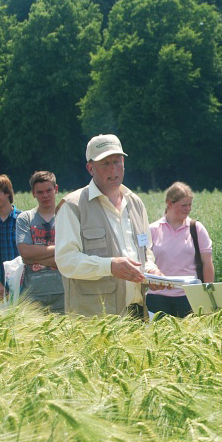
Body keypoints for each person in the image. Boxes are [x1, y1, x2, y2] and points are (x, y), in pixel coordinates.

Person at [55, 134, 163, 317]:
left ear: (124, 163)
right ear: (90, 168)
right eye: (105, 163)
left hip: (137, 313)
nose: (113, 168)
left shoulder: (136, 203)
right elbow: (66, 261)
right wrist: (110, 266)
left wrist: (151, 270)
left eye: (117, 161)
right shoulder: (73, 206)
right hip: (95, 318)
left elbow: (146, 252)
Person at [147, 182, 215, 317]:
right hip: (158, 297)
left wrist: (209, 295)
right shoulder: (153, 229)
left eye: (190, 205)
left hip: (190, 296)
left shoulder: (197, 229)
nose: (188, 209)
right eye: (184, 205)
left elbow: (207, 263)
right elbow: (145, 261)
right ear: (169, 203)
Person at [15, 171, 64, 311]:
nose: (45, 195)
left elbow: (71, 255)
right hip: (33, 294)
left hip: (64, 292)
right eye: (40, 192)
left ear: (56, 189)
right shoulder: (25, 218)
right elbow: (25, 253)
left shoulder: (67, 216)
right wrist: (60, 248)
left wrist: (33, 258)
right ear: (33, 193)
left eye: (49, 190)